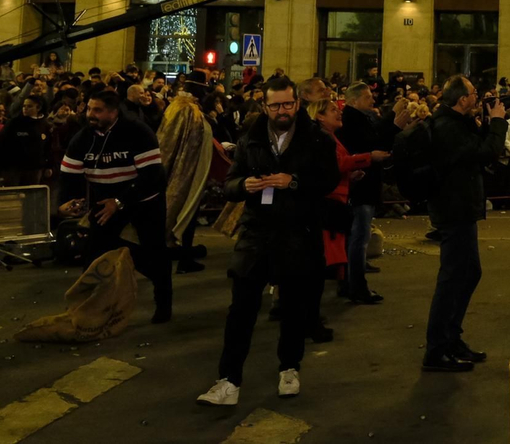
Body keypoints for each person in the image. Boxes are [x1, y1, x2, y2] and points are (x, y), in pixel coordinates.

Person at [197, 77, 340, 406]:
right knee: (241, 309)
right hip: (256, 234)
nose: (282, 111)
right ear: (264, 106)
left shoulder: (316, 138)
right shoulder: (251, 137)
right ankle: (228, 380)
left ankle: (289, 368)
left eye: (288, 104)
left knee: (293, 308)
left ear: (297, 103)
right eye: (275, 105)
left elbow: (328, 179)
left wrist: (294, 182)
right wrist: (243, 185)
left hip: (297, 233)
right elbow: (230, 180)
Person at [56, 90, 172, 322]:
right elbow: (69, 177)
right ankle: (87, 308)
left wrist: (119, 201)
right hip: (104, 200)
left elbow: (152, 177)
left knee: (156, 252)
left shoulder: (138, 132)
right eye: (89, 108)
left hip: (144, 199)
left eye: (97, 110)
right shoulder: (83, 137)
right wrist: (66, 202)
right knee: (94, 252)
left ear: (113, 112)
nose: (91, 114)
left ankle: (163, 304)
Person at [421, 75, 506, 372]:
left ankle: (451, 337)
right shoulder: (447, 128)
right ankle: (437, 349)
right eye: (473, 94)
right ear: (461, 100)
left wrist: (482, 120)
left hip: (461, 209)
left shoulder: (456, 123)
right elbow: (486, 151)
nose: (477, 97)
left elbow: (477, 148)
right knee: (453, 277)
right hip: (453, 210)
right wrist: (497, 122)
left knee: (468, 272)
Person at [339, 82, 397, 302]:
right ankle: (356, 286)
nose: (372, 100)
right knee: (358, 237)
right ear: (354, 101)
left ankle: (349, 282)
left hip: (362, 184)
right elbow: (368, 145)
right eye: (367, 97)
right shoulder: (352, 122)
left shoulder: (360, 119)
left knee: (355, 237)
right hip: (360, 186)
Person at [155, 92, 216, 275]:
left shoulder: (177, 108)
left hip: (178, 171)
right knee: (186, 214)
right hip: (187, 173)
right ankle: (184, 258)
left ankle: (181, 254)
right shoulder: (191, 113)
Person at [0, 95, 52, 188]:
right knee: (13, 195)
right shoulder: (14, 123)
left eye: (29, 106)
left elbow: (48, 147)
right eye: (24, 106)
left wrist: (49, 166)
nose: (25, 108)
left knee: (31, 195)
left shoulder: (44, 125)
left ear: (38, 108)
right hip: (13, 168)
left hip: (35, 168)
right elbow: (0, 144)